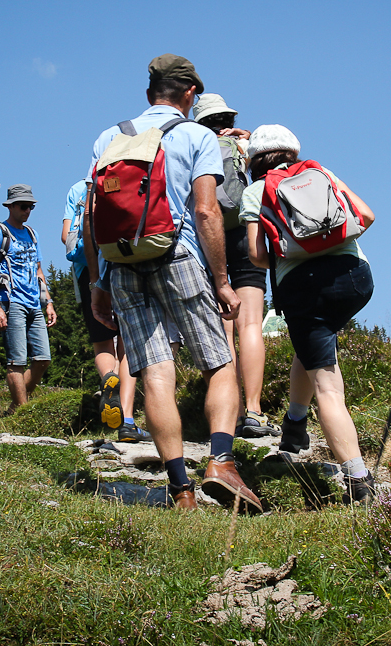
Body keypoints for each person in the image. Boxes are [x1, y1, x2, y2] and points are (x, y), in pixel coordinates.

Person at [86, 54, 262, 512]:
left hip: (122, 262)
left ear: (149, 94)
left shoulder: (109, 136)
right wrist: (222, 281)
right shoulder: (196, 134)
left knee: (156, 372)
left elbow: (92, 216)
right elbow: (205, 211)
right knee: (219, 362)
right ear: (189, 95)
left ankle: (181, 488)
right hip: (177, 253)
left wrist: (98, 283)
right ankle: (221, 463)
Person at [240, 124, 377, 504]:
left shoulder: (255, 191)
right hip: (355, 280)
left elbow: (256, 256)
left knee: (329, 387)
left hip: (303, 290)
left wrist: (291, 253)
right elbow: (366, 216)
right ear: (293, 152)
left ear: (253, 159)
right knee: (310, 345)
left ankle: (358, 479)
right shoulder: (322, 173)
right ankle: (295, 425)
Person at [190, 93, 277, 439]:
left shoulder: (195, 146)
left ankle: (231, 413)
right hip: (246, 232)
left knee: (223, 329)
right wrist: (248, 138)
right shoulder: (244, 144)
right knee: (251, 324)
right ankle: (255, 411)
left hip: (209, 240)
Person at [62, 177, 150, 443]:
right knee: (126, 345)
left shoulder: (78, 188)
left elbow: (66, 236)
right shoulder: (128, 176)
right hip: (121, 260)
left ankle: (108, 378)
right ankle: (127, 421)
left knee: (102, 344)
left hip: (86, 271)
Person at [0, 184, 56, 413]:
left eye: (31, 206)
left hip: (34, 302)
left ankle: (16, 408)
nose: (28, 211)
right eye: (24, 206)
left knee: (43, 359)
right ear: (11, 206)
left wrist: (49, 302)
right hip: (11, 301)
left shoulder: (32, 233)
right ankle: (23, 413)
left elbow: (38, 270)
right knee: (16, 360)